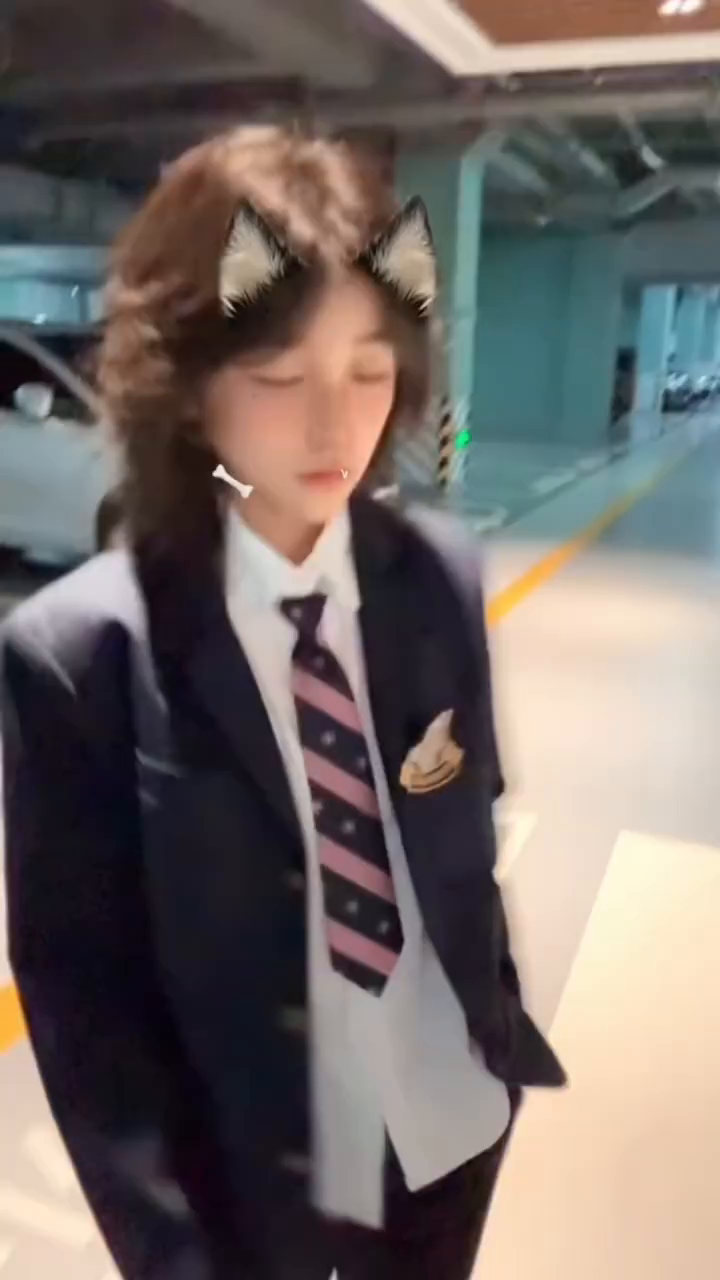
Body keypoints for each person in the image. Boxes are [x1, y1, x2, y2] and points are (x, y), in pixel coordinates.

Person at [1, 126, 565, 1280]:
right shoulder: (83, 653)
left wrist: (489, 1040)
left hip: (444, 1132)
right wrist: (171, 1250)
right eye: (277, 376)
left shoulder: (438, 575)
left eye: (369, 369)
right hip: (243, 1196)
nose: (335, 424)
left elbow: (463, 829)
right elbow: (85, 1007)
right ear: (186, 385)